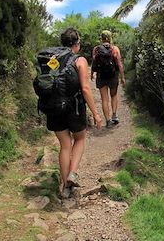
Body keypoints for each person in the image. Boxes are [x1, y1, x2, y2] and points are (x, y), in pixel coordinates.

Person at [45, 27, 103, 199]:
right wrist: (96, 114)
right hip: (74, 108)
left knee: (64, 145)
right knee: (80, 139)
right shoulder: (80, 61)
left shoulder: (51, 59)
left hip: (54, 108)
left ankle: (65, 188)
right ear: (76, 44)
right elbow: (85, 88)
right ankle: (72, 174)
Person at [90, 30, 125, 128]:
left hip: (101, 76)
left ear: (101, 38)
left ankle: (108, 121)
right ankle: (114, 115)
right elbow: (119, 64)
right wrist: (122, 77)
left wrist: (92, 74)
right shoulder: (115, 49)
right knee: (113, 96)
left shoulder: (96, 49)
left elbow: (94, 63)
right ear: (110, 38)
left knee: (104, 99)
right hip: (113, 76)